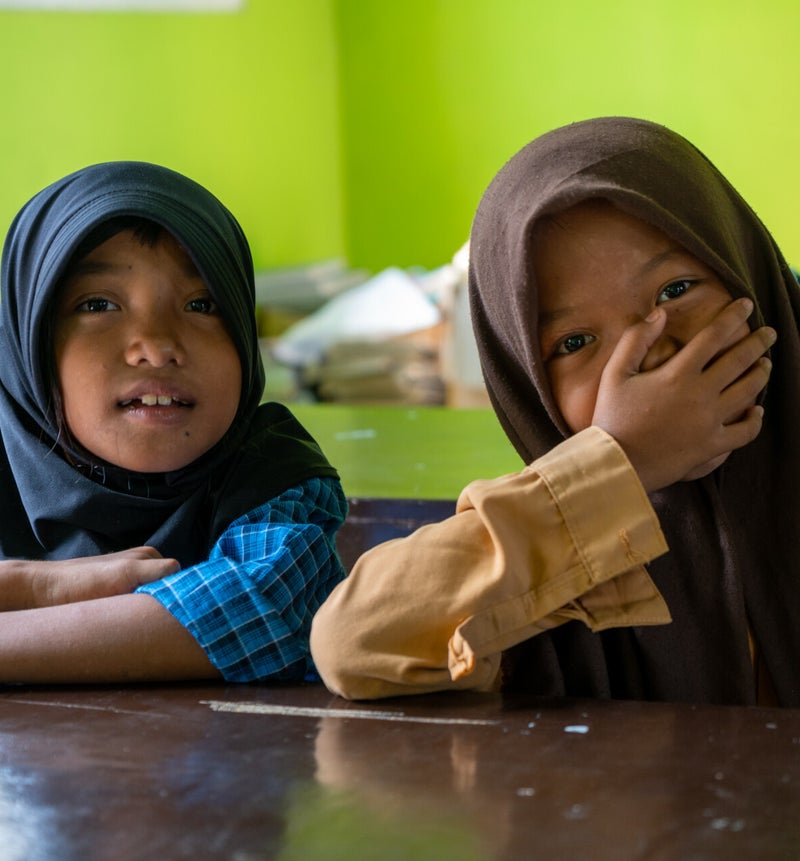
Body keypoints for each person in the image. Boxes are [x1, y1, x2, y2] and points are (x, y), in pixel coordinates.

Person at [311, 116, 797, 706]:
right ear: (525, 386)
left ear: (747, 269)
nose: (649, 358)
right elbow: (352, 642)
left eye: (675, 290)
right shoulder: (552, 554)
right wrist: (620, 464)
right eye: (574, 342)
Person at [0, 161, 346, 684]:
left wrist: (31, 595)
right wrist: (32, 585)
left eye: (201, 304)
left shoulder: (270, 472)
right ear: (28, 342)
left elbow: (263, 605)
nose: (157, 346)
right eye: (98, 304)